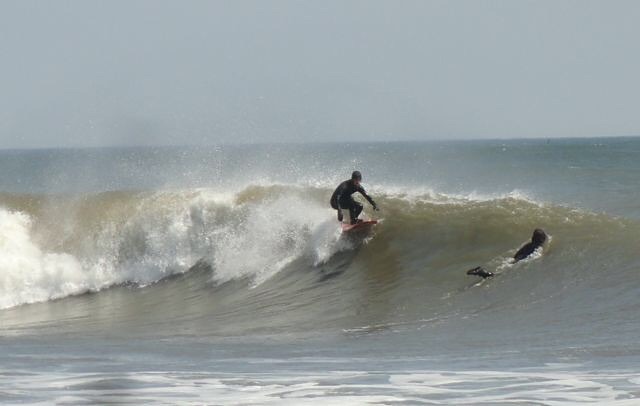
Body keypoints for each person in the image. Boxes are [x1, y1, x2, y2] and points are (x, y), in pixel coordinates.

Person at [466, 229, 548, 279]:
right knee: (498, 275)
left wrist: (514, 259)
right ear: (541, 240)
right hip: (520, 260)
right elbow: (533, 257)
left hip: (515, 259)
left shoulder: (529, 244)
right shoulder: (537, 248)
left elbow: (518, 253)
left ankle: (481, 271)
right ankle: (483, 272)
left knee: (502, 269)